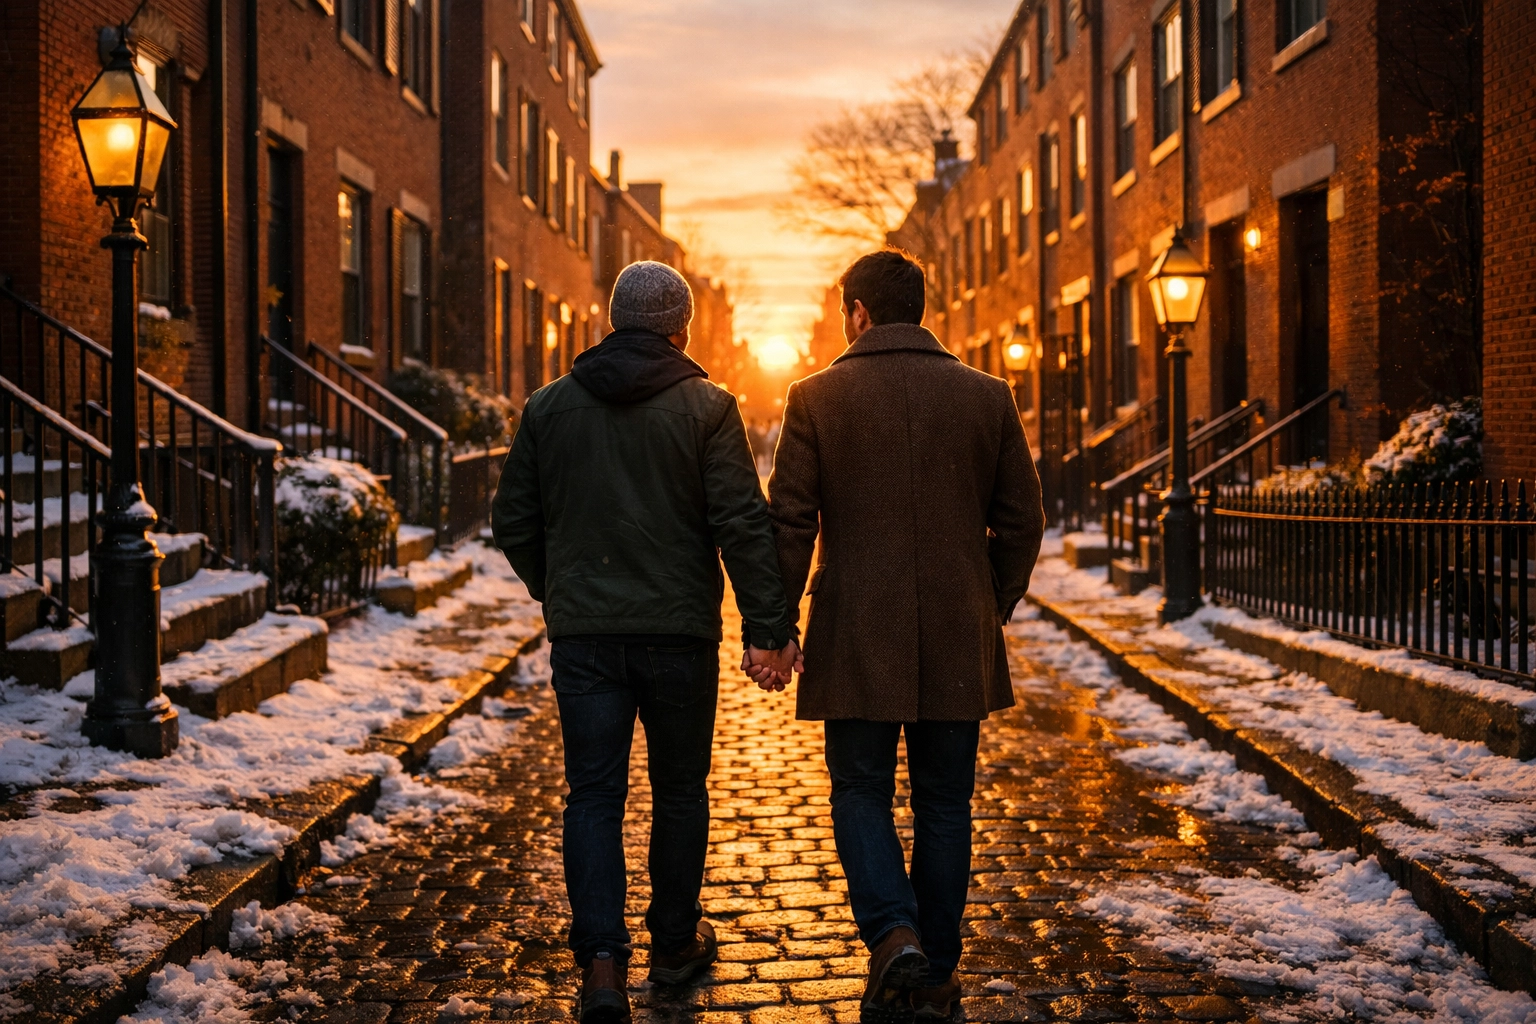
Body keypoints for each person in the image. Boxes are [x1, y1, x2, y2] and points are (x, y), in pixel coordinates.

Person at [493, 261, 801, 1024]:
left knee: (593, 795)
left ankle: (601, 965)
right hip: (677, 635)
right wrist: (769, 630)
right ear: (681, 328)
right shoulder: (708, 408)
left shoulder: (548, 408)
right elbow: (740, 522)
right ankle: (672, 944)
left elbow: (514, 522)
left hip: (587, 639)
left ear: (611, 321)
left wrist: (558, 590)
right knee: (679, 790)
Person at [757, 249, 1044, 1024]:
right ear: (920, 309)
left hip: (856, 628)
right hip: (958, 627)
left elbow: (789, 521)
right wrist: (991, 602)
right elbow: (1023, 521)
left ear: (857, 312)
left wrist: (773, 624)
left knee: (860, 789)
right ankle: (937, 971)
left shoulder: (816, 396)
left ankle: (894, 939)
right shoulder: (988, 396)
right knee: (946, 803)